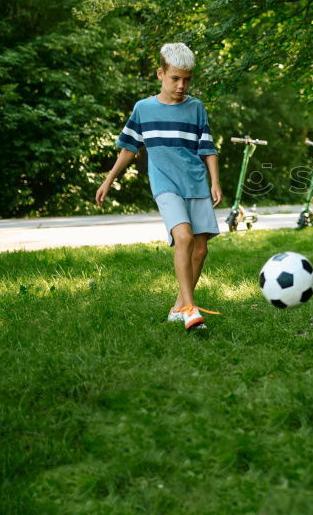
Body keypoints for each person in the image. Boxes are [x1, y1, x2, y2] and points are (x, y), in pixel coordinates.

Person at [96, 43, 224, 331]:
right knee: (183, 237)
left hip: (196, 182)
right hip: (165, 183)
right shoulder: (144, 109)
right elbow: (129, 148)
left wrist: (215, 181)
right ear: (160, 74)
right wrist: (108, 179)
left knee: (200, 249)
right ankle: (191, 309)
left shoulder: (196, 109)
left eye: (187, 79)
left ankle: (179, 306)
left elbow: (208, 149)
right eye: (175, 78)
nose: (181, 85)